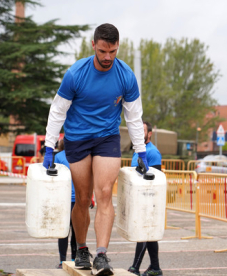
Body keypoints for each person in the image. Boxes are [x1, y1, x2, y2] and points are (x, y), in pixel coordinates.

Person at [43, 23, 147, 276]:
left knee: (103, 194)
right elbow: (58, 111)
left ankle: (101, 254)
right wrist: (48, 146)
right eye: (103, 51)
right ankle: (81, 249)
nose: (108, 57)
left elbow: (134, 117)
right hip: (77, 138)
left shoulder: (126, 76)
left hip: (107, 137)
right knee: (82, 197)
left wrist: (141, 151)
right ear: (94, 45)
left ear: (117, 47)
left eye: (112, 51)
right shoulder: (76, 73)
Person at [128, 121, 162, 276]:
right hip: (137, 198)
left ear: (149, 134)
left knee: (144, 232)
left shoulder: (152, 152)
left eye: (142, 130)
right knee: (149, 234)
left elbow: (156, 179)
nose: (139, 132)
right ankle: (155, 268)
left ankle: (135, 267)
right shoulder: (137, 151)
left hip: (148, 199)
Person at [54, 140, 77, 269]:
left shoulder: (79, 155)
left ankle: (74, 258)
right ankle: (62, 260)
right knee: (63, 231)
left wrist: (90, 197)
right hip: (63, 198)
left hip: (77, 199)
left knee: (76, 231)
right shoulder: (59, 156)